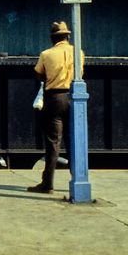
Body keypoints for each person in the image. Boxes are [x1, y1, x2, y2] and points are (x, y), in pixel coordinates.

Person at [28, 21, 85, 194]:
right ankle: (77, 178)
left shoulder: (46, 54)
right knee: (73, 140)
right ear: (67, 36)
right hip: (74, 96)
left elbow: (38, 73)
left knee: (53, 141)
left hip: (54, 98)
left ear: (53, 38)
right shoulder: (79, 52)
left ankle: (47, 184)